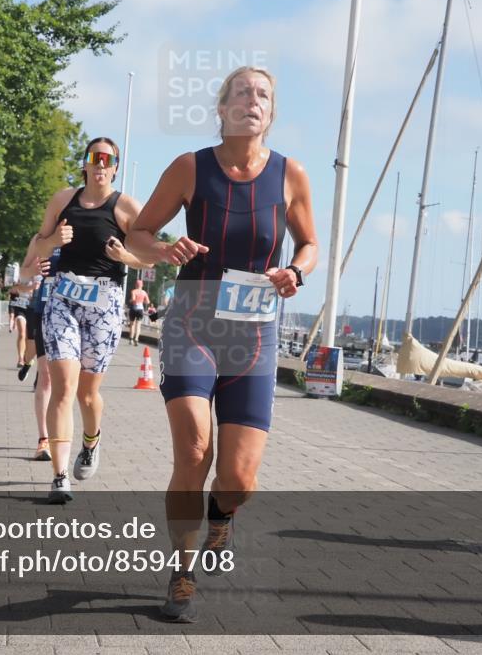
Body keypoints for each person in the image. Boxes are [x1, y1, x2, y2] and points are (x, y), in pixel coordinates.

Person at [126, 66, 318, 623]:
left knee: (238, 479)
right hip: (192, 324)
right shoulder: (191, 167)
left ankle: (222, 514)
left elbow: (309, 245)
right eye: (241, 93)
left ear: (271, 112)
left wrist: (296, 273)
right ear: (223, 108)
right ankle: (182, 572)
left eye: (262, 95)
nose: (251, 101)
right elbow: (140, 233)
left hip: (254, 335)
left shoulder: (290, 175)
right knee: (192, 451)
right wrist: (164, 248)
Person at [31, 136, 152, 503]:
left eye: (108, 159)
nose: (100, 165)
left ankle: (91, 441)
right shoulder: (62, 200)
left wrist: (125, 256)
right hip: (63, 299)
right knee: (63, 387)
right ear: (84, 163)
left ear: (115, 167)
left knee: (87, 394)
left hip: (105, 305)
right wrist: (53, 239)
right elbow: (37, 245)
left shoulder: (126, 207)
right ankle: (59, 476)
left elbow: (150, 259)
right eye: (94, 157)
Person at [15, 237, 60, 461]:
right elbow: (23, 274)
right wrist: (31, 270)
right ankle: (44, 439)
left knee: (71, 384)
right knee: (47, 378)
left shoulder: (91, 228)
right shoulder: (43, 238)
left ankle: (69, 434)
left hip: (80, 316)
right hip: (45, 311)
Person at [127, 279, 151, 346]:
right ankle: (136, 339)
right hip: (140, 309)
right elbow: (148, 302)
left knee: (132, 324)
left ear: (135, 285)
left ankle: (131, 339)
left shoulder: (134, 291)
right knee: (138, 325)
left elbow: (133, 299)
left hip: (133, 308)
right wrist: (142, 301)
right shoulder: (144, 292)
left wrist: (130, 301)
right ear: (142, 285)